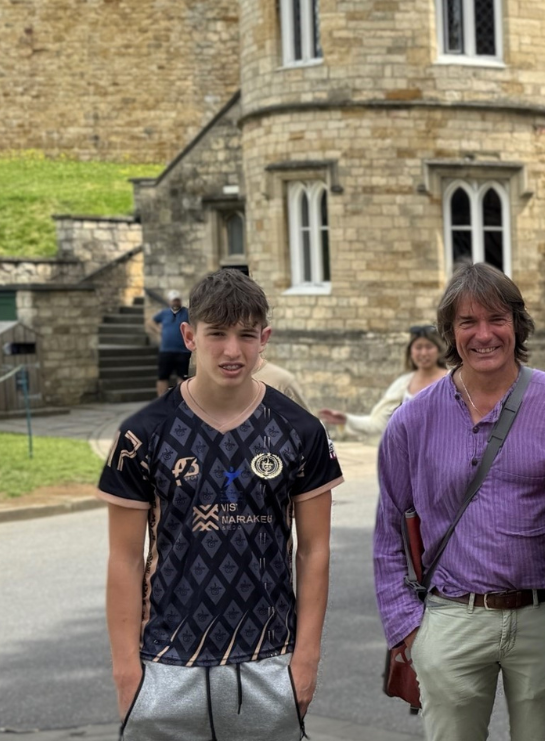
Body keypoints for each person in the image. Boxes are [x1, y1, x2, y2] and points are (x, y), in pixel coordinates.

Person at [98, 267, 341, 741]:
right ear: (189, 335)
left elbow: (314, 552)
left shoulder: (302, 431)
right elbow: (124, 559)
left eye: (247, 335)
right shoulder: (141, 434)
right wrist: (127, 670)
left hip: (268, 659)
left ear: (264, 337)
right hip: (165, 661)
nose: (233, 350)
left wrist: (306, 659)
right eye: (218, 334)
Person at [374, 264, 545, 741]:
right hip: (451, 619)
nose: (484, 334)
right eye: (467, 322)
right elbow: (389, 532)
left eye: (496, 319)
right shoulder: (412, 420)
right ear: (450, 332)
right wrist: (409, 630)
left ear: (517, 323)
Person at [319, 325, 443, 441]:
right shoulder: (403, 384)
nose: (423, 353)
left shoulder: (452, 380)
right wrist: (347, 420)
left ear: (438, 349)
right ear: (410, 352)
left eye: (429, 347)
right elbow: (378, 424)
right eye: (418, 347)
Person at [146, 290, 190, 396]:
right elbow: (150, 322)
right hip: (166, 351)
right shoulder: (164, 313)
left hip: (183, 351)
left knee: (182, 378)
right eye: (174, 300)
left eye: (178, 300)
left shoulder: (187, 313)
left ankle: (181, 401)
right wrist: (158, 330)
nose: (176, 302)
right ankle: (161, 401)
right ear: (170, 301)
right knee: (162, 377)